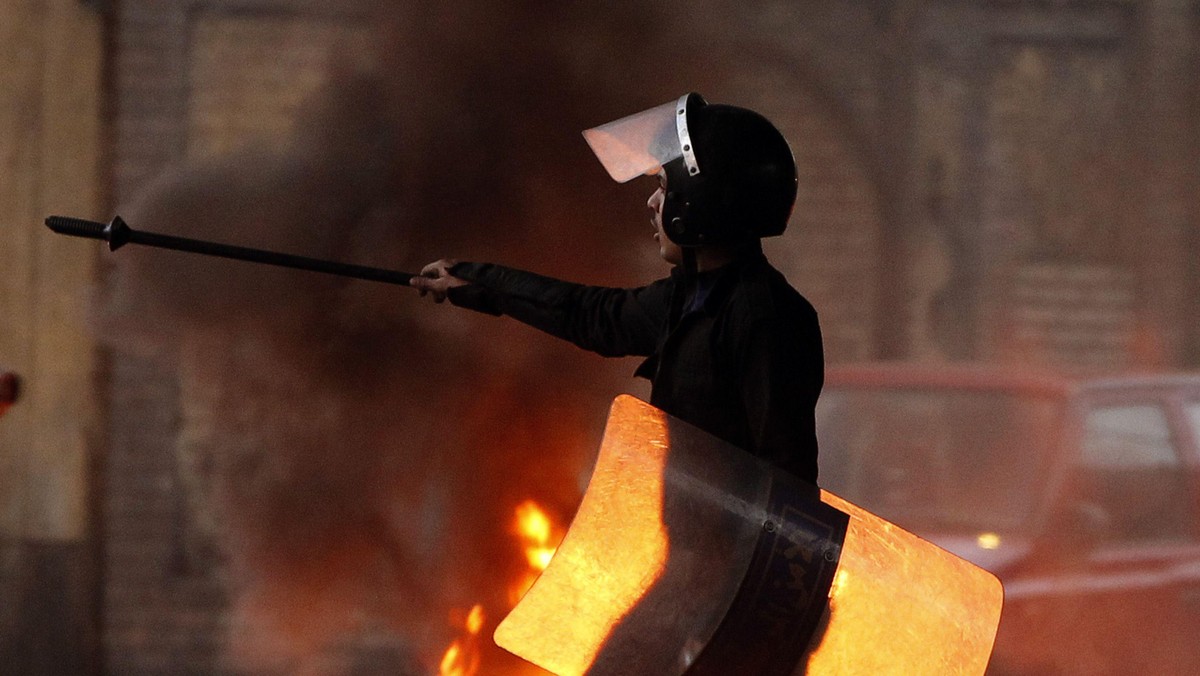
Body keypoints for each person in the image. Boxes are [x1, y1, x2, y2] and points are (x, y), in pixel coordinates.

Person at [410, 93, 823, 484]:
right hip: (691, 550)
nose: (652, 202)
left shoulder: (766, 319)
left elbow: (785, 486)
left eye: (664, 186)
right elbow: (590, 314)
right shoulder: (688, 298)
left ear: (702, 199)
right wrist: (474, 281)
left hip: (726, 555)